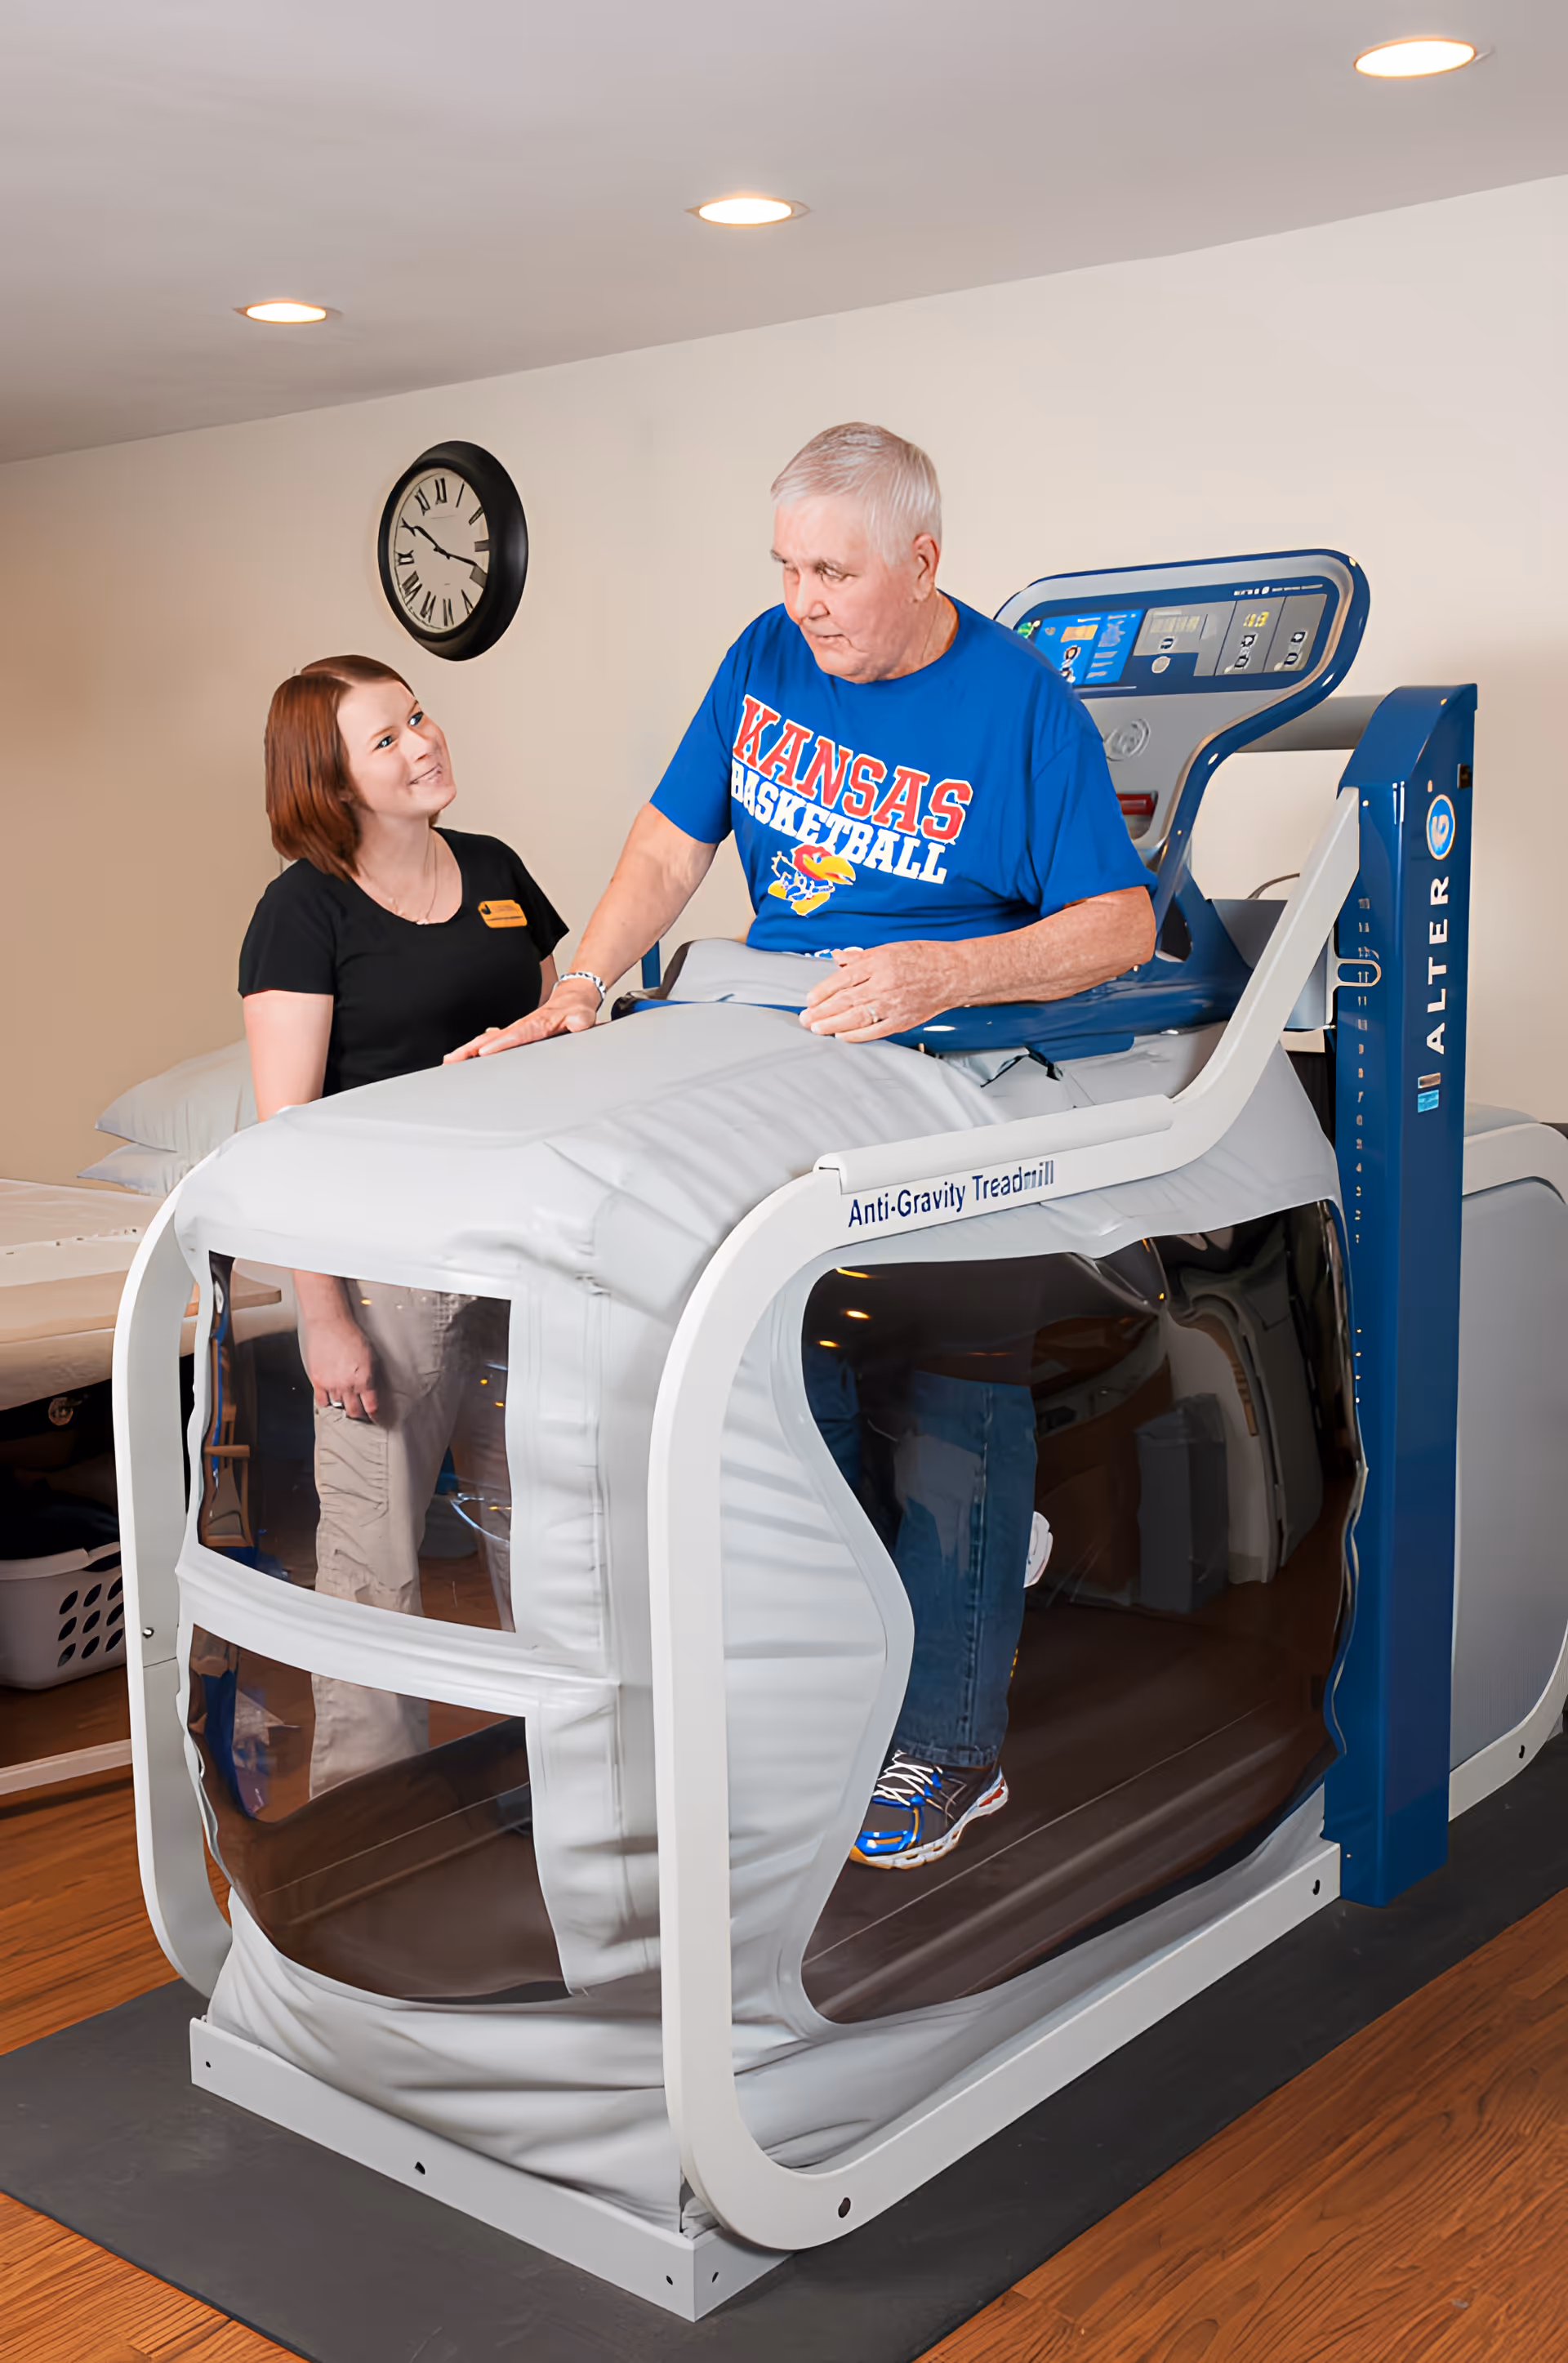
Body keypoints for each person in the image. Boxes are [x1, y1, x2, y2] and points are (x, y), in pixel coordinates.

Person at [448, 423, 1156, 1867]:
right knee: (791, 1391)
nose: (805, 598)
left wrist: (944, 973)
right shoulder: (763, 657)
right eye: (786, 566)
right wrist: (579, 982)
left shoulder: (1023, 708)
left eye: (833, 569)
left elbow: (1120, 926)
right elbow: (667, 846)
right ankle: (838, 1693)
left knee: (955, 1409)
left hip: (951, 1085)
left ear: (924, 559)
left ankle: (954, 1749)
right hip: (784, 1064)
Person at [239, 653, 568, 1790]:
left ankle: (580, 1777)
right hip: (387, 1276)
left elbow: (560, 1031)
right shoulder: (302, 914)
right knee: (374, 1554)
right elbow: (288, 1147)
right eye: (385, 739)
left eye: (417, 717)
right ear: (329, 780)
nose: (423, 743)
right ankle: (367, 1821)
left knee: (553, 1532)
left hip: (527, 1256)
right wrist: (321, 1316)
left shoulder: (498, 871)